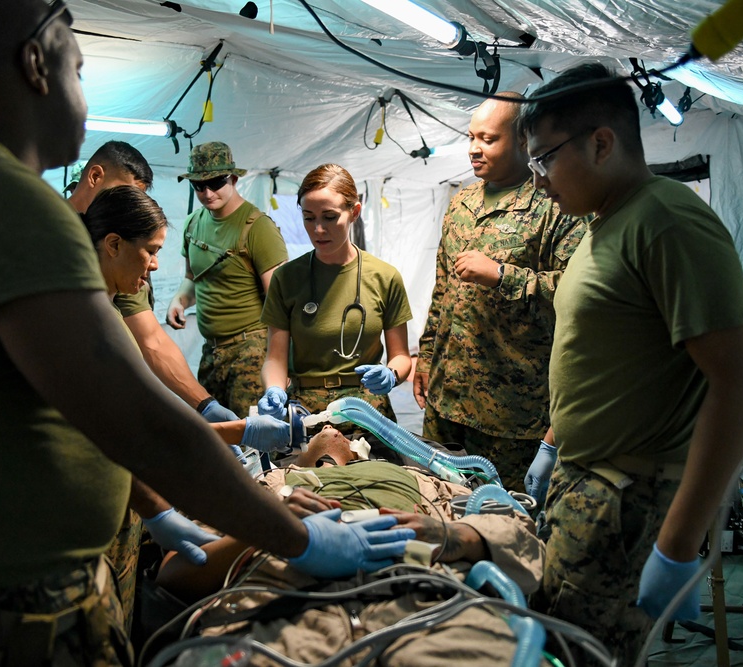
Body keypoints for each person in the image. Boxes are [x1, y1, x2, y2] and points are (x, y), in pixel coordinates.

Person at [0, 1, 412, 664]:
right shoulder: (2, 198)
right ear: (35, 62)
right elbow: (133, 416)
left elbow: (64, 406)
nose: (82, 94)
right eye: (77, 68)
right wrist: (296, 538)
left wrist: (154, 501)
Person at [516, 63, 743, 664]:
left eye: (544, 158)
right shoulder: (606, 223)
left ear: (601, 143)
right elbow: (604, 354)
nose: (538, 179)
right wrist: (556, 441)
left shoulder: (667, 219)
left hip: (624, 501)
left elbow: (741, 382)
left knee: (584, 654)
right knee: (556, 641)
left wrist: (678, 543)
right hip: (586, 483)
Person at [143, 424, 547, 667]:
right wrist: (275, 528)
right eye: (323, 431)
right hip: (277, 615)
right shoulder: (262, 491)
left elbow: (523, 540)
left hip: (423, 604)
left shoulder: (420, 479)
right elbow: (175, 575)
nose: (335, 431)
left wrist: (454, 536)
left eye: (347, 435)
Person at [78, 184, 292, 635]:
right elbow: (133, 435)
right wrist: (235, 431)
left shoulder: (105, 309)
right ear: (113, 244)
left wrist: (220, 421)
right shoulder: (88, 319)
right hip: (100, 503)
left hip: (120, 493)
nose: (156, 265)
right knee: (102, 623)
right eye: (150, 251)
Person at [414, 93, 586, 494]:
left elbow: (576, 292)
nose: (474, 148)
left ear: (523, 141)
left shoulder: (554, 205)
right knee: (440, 506)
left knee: (505, 519)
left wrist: (503, 275)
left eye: (488, 139)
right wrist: (425, 357)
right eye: (471, 137)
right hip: (446, 398)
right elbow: (443, 290)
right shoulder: (461, 202)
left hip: (511, 412)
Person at [68, 140, 238, 423]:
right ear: (95, 177)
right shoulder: (48, 238)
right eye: (123, 194)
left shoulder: (123, 260)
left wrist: (205, 405)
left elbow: (151, 339)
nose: (131, 208)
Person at [258, 164, 413, 429]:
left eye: (329, 217)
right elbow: (275, 357)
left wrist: (391, 373)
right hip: (306, 412)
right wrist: (273, 388)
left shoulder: (384, 277)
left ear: (354, 212)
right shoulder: (287, 279)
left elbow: (402, 356)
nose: (318, 229)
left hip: (367, 409)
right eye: (309, 217)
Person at [165, 141, 287, 418]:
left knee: (253, 436)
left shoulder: (258, 228)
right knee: (214, 435)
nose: (207, 193)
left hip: (252, 351)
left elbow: (280, 301)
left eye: (216, 183)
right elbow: (192, 276)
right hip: (212, 353)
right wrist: (180, 300)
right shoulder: (193, 223)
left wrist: (280, 363)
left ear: (233, 179)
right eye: (198, 185)